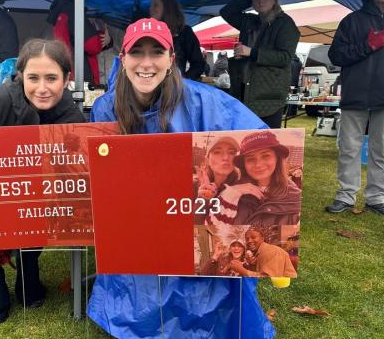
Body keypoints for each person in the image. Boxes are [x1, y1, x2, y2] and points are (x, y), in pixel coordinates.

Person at [88, 17, 274, 338]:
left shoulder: (205, 101)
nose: (146, 63)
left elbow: (262, 142)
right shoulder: (107, 107)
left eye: (156, 52)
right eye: (137, 53)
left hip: (196, 216)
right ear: (123, 59)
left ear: (171, 59)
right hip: (140, 221)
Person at [0, 39, 85, 324]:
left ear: (66, 79)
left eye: (52, 78)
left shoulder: (72, 116)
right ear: (21, 75)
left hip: (35, 186)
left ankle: (29, 287)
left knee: (34, 224)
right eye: (33, 78)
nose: (42, 88)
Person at [325, 0, 384, 217]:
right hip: (355, 94)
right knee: (349, 147)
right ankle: (345, 195)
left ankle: (376, 198)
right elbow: (335, 55)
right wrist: (366, 45)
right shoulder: (352, 21)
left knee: (380, 148)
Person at [220, 0, 300, 128]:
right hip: (244, 89)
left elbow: (285, 58)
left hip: (268, 94)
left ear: (274, 0)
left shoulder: (285, 24)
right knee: (243, 140)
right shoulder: (250, 20)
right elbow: (226, 12)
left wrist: (252, 52)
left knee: (267, 141)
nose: (260, 1)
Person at [210, 131, 301, 237]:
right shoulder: (231, 191)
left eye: (265, 156)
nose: (258, 164)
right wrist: (231, 194)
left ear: (277, 158)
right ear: (244, 164)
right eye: (250, 159)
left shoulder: (295, 199)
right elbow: (213, 231)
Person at [46, 0, 112, 85]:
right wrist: (108, 40)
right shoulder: (73, 10)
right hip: (80, 79)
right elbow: (92, 45)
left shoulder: (60, 11)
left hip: (67, 75)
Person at [150, 0, 206, 81]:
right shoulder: (148, 32)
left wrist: (183, 81)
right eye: (151, 5)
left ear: (167, 8)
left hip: (174, 90)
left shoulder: (184, 32)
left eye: (156, 5)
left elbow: (198, 64)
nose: (151, 9)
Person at [230, 227, 297, 278]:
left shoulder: (270, 251)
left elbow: (268, 279)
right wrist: (252, 265)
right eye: (247, 239)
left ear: (262, 239)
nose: (249, 241)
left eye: (253, 237)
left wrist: (242, 270)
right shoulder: (259, 252)